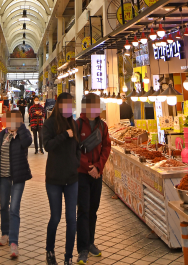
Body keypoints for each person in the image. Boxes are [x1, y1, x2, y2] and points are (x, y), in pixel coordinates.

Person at [0, 108, 32, 259]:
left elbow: (28, 142)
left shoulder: (22, 136)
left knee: (14, 208)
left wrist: (21, 126)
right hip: (3, 176)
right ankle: (4, 233)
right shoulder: (0, 136)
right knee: (4, 206)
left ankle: (13, 242)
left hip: (18, 177)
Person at [42, 92, 80, 265]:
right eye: (66, 104)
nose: (69, 107)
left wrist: (76, 162)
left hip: (72, 179)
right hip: (54, 179)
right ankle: (50, 251)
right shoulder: (50, 123)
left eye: (71, 104)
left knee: (72, 219)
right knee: (55, 218)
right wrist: (64, 135)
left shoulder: (74, 122)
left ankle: (68, 256)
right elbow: (47, 146)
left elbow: (78, 146)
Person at [75, 93, 111, 265]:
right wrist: (89, 166)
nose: (97, 109)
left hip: (97, 174)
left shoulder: (102, 126)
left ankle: (90, 243)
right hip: (81, 175)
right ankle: (82, 248)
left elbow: (106, 147)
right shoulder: (77, 125)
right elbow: (73, 150)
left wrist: (99, 166)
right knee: (83, 210)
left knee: (93, 210)